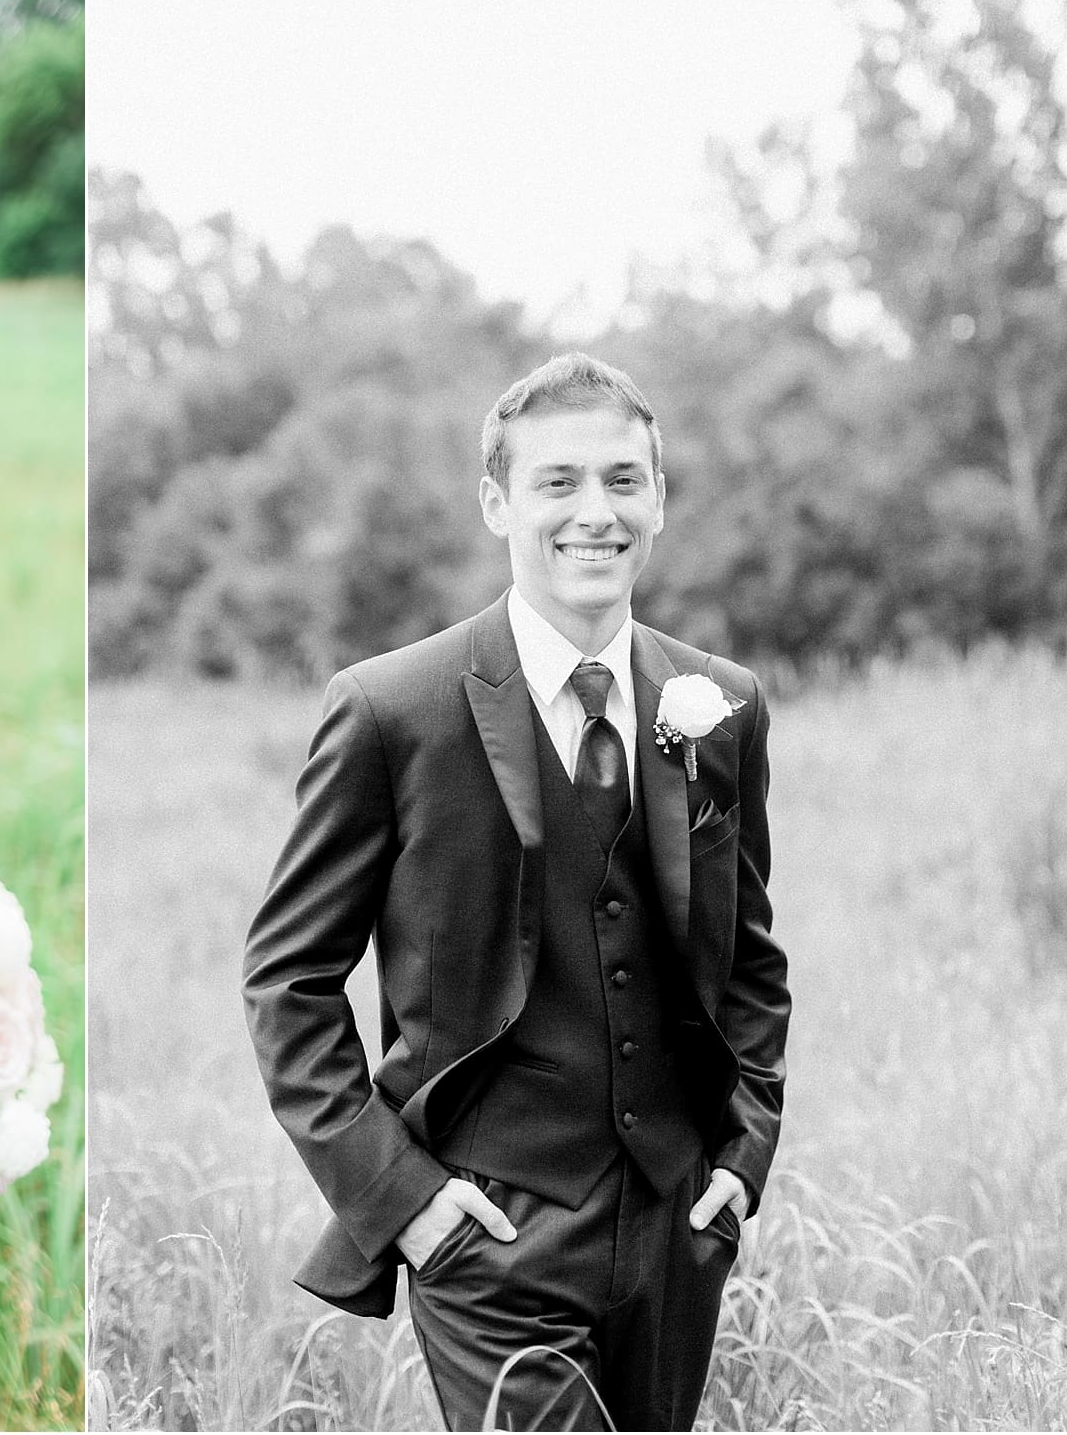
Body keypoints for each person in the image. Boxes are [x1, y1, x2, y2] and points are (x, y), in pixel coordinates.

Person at [242, 353, 789, 1431]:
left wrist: (742, 1155)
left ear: (660, 498)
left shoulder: (719, 704)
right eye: (559, 481)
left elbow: (752, 957)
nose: (597, 511)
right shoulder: (390, 709)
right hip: (487, 1226)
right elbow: (288, 980)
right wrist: (405, 1203)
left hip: (680, 1220)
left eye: (624, 479)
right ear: (498, 501)